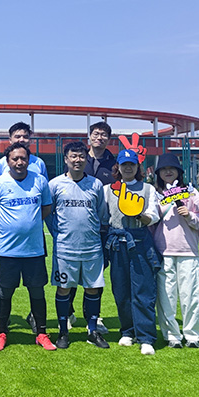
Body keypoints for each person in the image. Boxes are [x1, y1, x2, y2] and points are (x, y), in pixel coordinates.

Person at [0, 143, 55, 352]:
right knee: (5, 292)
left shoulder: (40, 181)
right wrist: (9, 225)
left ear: (28, 160)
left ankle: (41, 333)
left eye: (23, 158)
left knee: (37, 291)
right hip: (8, 250)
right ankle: (1, 332)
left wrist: (30, 223)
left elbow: (46, 207)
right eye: (15, 159)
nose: (19, 162)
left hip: (34, 249)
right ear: (8, 161)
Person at [46, 142, 110, 349]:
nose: (77, 160)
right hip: (65, 249)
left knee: (92, 289)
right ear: (66, 159)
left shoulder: (95, 184)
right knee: (64, 289)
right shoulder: (55, 184)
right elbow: (48, 214)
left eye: (81, 156)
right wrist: (58, 233)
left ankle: (92, 331)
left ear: (86, 159)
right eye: (73, 156)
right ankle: (63, 331)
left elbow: (101, 214)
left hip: (92, 248)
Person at [104, 149, 160, 355]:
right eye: (124, 164)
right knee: (121, 291)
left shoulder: (148, 189)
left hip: (139, 243)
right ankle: (127, 331)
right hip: (117, 243)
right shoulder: (108, 189)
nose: (128, 168)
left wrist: (139, 214)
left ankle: (146, 337)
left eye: (132, 164)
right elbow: (103, 216)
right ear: (117, 167)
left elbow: (153, 216)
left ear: (138, 167)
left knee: (143, 291)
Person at [66, 121, 117, 334]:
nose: (99, 137)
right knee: (70, 273)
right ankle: (68, 312)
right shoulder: (79, 158)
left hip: (103, 228)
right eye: (96, 133)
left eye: (104, 134)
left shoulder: (114, 164)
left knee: (96, 275)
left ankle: (94, 317)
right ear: (90, 136)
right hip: (76, 228)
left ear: (108, 139)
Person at [152, 154, 199, 349]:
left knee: (190, 296)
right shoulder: (155, 195)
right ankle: (172, 336)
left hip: (188, 252)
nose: (168, 172)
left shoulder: (191, 193)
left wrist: (190, 215)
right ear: (158, 173)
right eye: (163, 169)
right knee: (166, 297)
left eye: (172, 168)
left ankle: (192, 336)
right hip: (163, 252)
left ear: (179, 172)